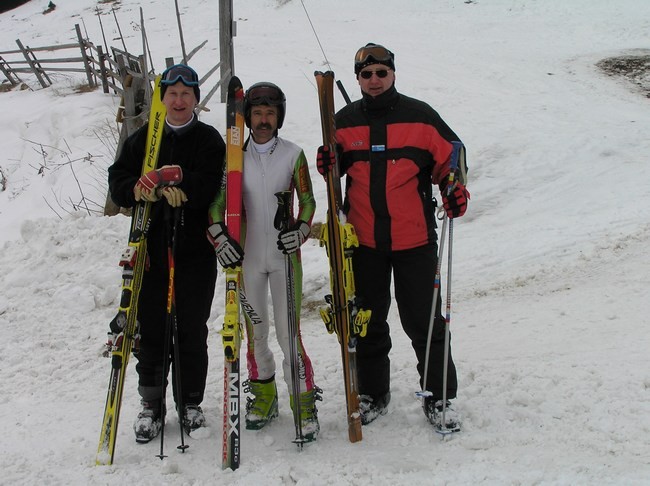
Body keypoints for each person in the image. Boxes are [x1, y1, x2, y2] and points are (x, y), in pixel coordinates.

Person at [316, 43, 470, 431]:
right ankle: (372, 392)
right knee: (366, 321)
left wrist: (454, 188)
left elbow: (452, 155)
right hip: (364, 241)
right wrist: (327, 163)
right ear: (357, 78)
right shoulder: (345, 121)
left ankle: (439, 397)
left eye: (381, 73)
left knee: (424, 321)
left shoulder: (419, 116)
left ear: (393, 74)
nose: (374, 81)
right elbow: (334, 170)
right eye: (366, 75)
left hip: (414, 239)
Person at [108, 64, 226, 443]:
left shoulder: (208, 140)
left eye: (186, 94)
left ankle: (190, 401)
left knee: (191, 327)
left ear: (195, 99)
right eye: (172, 94)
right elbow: (119, 179)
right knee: (154, 326)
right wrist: (138, 191)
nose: (179, 101)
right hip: (151, 247)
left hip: (194, 250)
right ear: (163, 98)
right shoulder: (144, 138)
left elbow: (212, 184)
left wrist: (185, 185)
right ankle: (151, 404)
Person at [207, 81, 321, 441]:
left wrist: (300, 230)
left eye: (270, 114)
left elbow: (309, 203)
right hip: (248, 258)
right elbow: (215, 207)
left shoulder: (293, 154)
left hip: (285, 258)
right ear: (247, 118)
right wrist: (220, 238)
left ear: (279, 116)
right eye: (256, 114)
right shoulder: (233, 157)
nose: (263, 120)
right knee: (254, 332)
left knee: (289, 334)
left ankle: (303, 400)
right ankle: (265, 394)